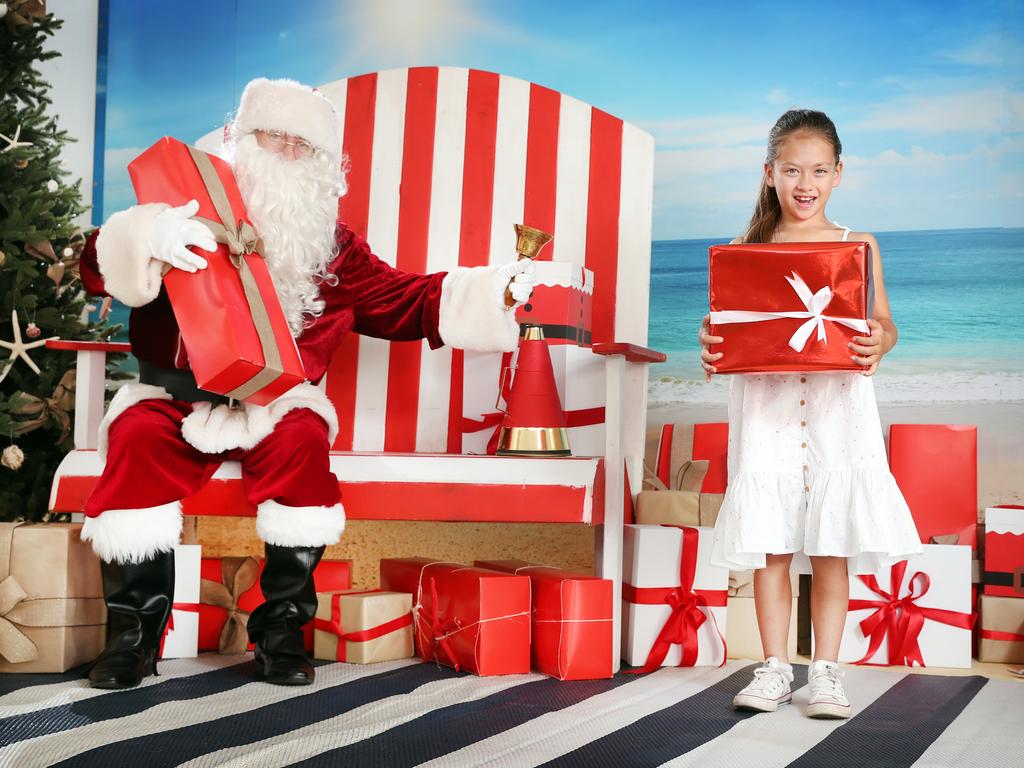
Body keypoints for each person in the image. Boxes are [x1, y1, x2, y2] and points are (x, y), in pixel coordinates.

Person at [78, 77, 536, 689]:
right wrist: (145, 241)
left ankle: (282, 633)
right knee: (135, 437)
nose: (288, 152)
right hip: (171, 397)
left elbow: (405, 299)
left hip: (276, 404)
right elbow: (94, 268)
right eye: (274, 136)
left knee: (301, 446)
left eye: (305, 145)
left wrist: (496, 289)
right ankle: (132, 637)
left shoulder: (333, 250)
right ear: (242, 141)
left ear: (324, 164)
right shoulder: (178, 217)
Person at [698, 109, 921, 719]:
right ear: (770, 174)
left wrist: (883, 340)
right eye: (792, 170)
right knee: (771, 544)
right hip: (767, 410)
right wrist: (711, 344)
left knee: (831, 544)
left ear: (839, 174)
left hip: (835, 411)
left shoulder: (858, 245)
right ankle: (774, 669)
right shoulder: (746, 253)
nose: (806, 183)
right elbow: (727, 328)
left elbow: (885, 322)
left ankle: (824, 671)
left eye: (819, 170)